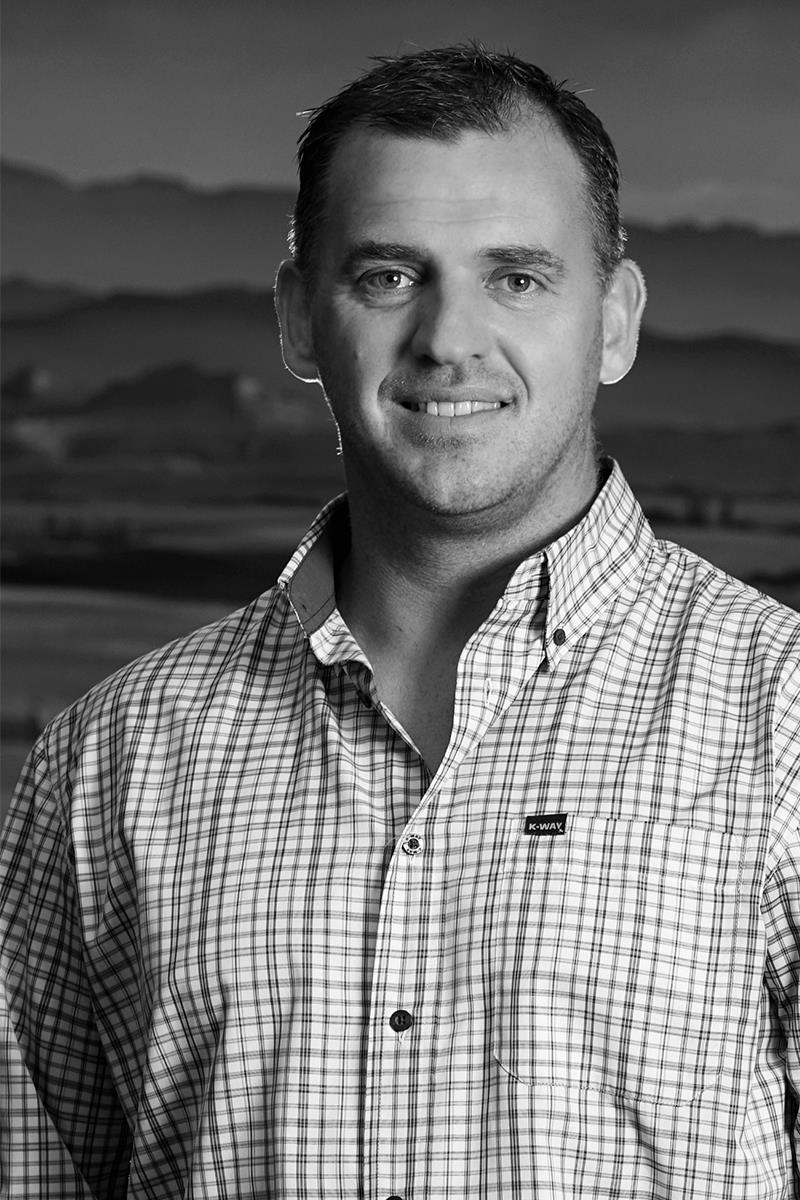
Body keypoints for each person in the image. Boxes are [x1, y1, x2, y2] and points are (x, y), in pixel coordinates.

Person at [1, 42, 798, 1200]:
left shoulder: (781, 721)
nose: (447, 339)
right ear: (297, 320)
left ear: (615, 321)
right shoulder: (108, 764)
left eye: (515, 278)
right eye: (386, 276)